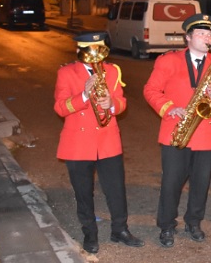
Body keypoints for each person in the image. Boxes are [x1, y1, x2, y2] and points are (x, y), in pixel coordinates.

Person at [143, 14, 211, 247]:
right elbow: (151, 90)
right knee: (171, 183)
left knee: (200, 183)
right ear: (187, 37)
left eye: (209, 34)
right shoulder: (168, 60)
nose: (207, 38)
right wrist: (169, 108)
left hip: (207, 134)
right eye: (201, 34)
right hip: (176, 131)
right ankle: (166, 226)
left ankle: (194, 222)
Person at [53, 32, 144, 254]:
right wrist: (84, 95)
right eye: (89, 50)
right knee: (83, 192)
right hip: (78, 142)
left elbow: (122, 102)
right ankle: (90, 233)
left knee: (116, 189)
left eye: (98, 49)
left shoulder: (112, 71)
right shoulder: (66, 72)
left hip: (107, 139)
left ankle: (120, 229)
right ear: (79, 51)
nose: (95, 56)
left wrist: (111, 104)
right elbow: (60, 108)